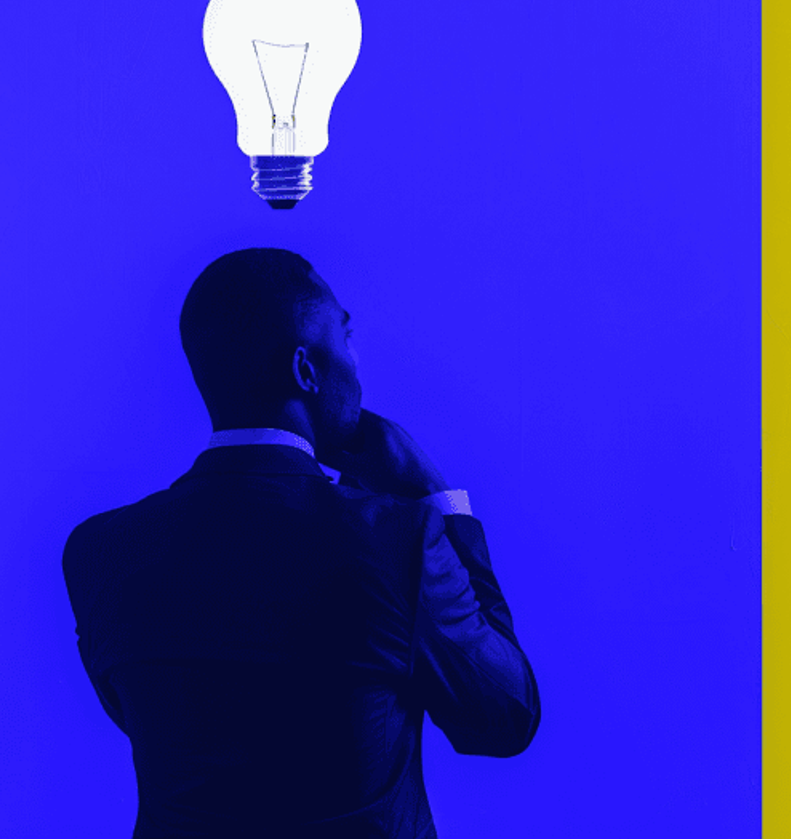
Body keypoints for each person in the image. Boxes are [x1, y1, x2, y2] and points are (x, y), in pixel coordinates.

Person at [62, 247, 540, 838]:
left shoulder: (100, 553)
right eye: (347, 337)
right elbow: (503, 717)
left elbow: (149, 722)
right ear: (307, 370)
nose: (357, 366)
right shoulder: (398, 540)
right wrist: (437, 499)